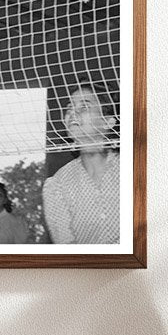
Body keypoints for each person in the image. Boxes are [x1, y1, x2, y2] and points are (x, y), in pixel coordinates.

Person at [42, 81, 120, 244]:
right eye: (70, 108)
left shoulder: (134, 170)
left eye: (84, 107)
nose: (73, 113)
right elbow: (67, 248)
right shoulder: (57, 185)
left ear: (108, 122)